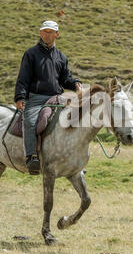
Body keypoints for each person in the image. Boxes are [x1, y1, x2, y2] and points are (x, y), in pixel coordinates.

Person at [14, 20, 82, 174]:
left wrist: (75, 83)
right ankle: (31, 157)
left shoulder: (61, 57)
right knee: (30, 121)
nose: (47, 34)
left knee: (75, 120)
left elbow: (65, 78)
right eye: (44, 31)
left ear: (57, 35)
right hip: (36, 98)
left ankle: (73, 160)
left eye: (50, 32)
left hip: (57, 97)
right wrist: (20, 97)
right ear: (40, 33)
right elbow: (23, 78)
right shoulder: (31, 54)